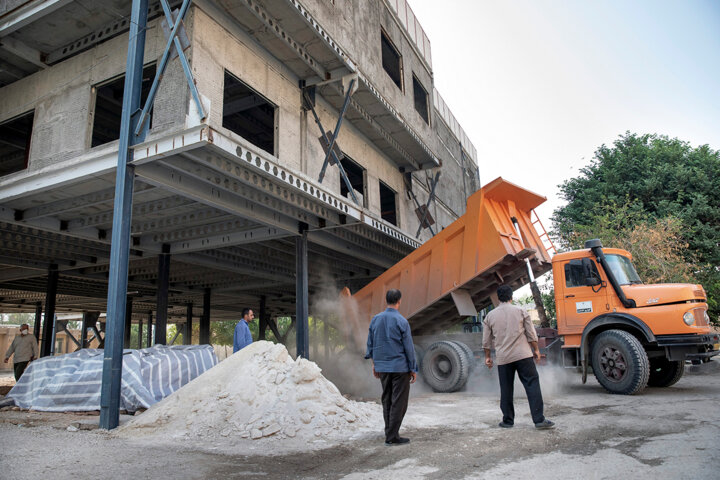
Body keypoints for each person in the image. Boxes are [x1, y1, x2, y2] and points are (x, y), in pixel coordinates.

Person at [483, 285, 555, 430]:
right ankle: (539, 420)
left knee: (506, 389)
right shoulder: (521, 311)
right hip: (523, 356)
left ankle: (508, 421)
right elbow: (531, 334)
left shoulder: (490, 316)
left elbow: (486, 341)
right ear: (511, 297)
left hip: (504, 359)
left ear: (498, 298)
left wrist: (488, 357)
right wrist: (536, 350)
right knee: (532, 385)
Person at [365, 289, 418, 445]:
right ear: (399, 301)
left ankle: (389, 432)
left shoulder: (375, 320)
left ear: (386, 300)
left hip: (383, 368)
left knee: (387, 400)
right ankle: (392, 436)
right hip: (400, 368)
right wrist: (413, 368)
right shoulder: (402, 321)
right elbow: (409, 347)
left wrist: (375, 365)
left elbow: (371, 344)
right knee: (399, 402)